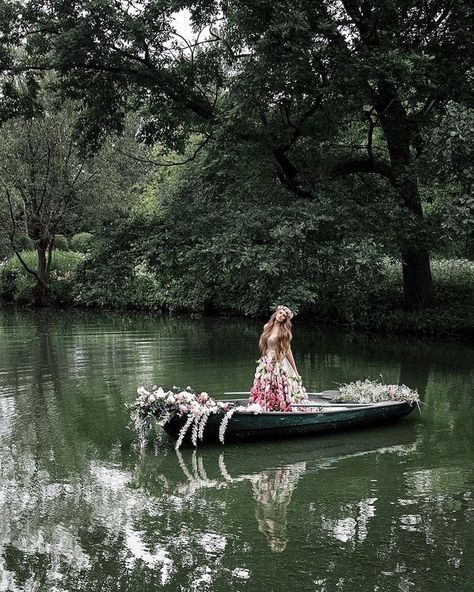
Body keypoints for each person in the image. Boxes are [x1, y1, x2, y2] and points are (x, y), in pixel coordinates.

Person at [249, 305, 308, 411]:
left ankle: (280, 406)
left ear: (285, 319)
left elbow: (288, 351)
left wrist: (295, 370)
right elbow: (265, 346)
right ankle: (266, 404)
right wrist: (264, 361)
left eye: (284, 316)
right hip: (267, 362)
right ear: (276, 313)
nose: (281, 316)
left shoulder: (284, 332)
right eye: (280, 313)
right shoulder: (267, 327)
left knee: (280, 386)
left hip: (279, 362)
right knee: (265, 385)